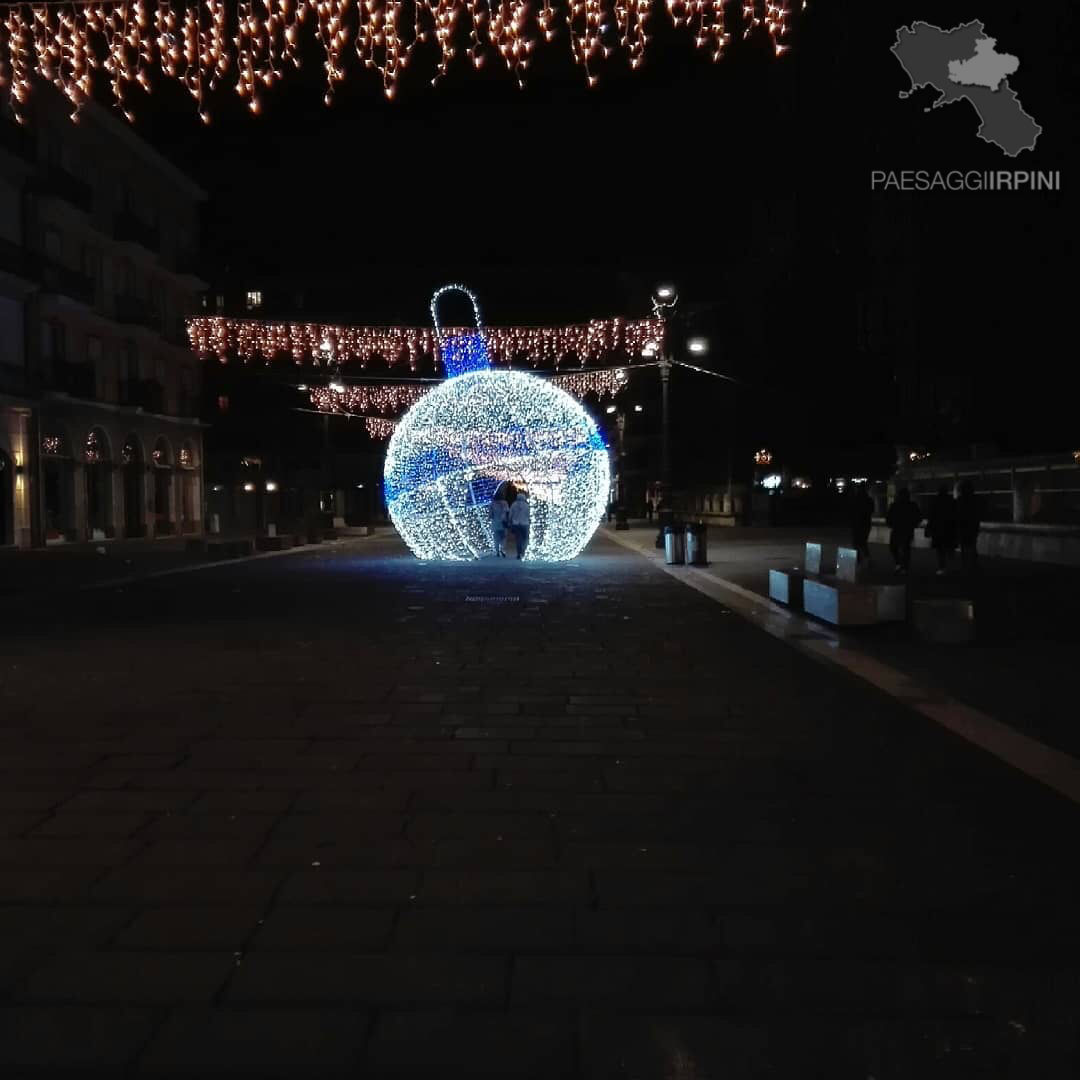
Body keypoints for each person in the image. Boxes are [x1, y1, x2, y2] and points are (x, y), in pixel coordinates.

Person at [885, 487, 921, 573]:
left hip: (897, 529)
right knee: (905, 548)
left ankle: (899, 563)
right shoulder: (912, 505)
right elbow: (918, 517)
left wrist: (890, 524)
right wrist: (914, 524)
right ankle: (904, 566)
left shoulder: (894, 505)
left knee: (893, 547)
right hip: (908, 529)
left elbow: (889, 517)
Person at [925, 484, 957, 575]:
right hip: (949, 528)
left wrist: (929, 528)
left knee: (940, 550)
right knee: (949, 547)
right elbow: (955, 515)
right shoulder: (951, 501)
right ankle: (952, 565)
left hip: (938, 529)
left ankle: (942, 567)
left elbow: (931, 516)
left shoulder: (935, 501)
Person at [955, 479, 982, 573]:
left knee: (963, 545)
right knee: (972, 545)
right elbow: (978, 513)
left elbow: (956, 514)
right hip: (972, 525)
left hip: (962, 526)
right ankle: (973, 563)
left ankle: (964, 564)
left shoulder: (959, 500)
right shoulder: (975, 500)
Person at [850, 485, 874, 562]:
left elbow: (851, 511)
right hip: (866, 524)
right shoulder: (869, 500)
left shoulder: (855, 500)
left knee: (856, 543)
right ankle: (866, 558)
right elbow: (871, 510)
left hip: (857, 524)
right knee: (863, 542)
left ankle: (859, 559)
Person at [509, 489, 530, 560]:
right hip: (525, 524)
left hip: (516, 524)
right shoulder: (527, 505)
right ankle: (524, 551)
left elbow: (510, 514)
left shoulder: (514, 505)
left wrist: (510, 521)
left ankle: (519, 553)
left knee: (518, 539)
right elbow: (529, 515)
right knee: (525, 538)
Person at [490, 488, 509, 557]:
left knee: (496, 537)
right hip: (503, 523)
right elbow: (506, 512)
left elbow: (490, 514)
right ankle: (502, 549)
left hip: (495, 522)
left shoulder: (492, 504)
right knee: (503, 537)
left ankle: (497, 551)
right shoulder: (505, 503)